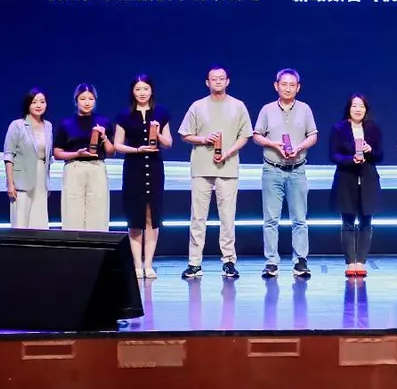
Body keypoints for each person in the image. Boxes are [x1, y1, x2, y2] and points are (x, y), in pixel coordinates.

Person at [178, 66, 253, 279]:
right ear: (207, 82)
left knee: (227, 217)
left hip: (227, 168)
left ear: (227, 81)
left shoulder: (238, 106)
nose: (218, 81)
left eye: (221, 78)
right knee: (197, 217)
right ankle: (194, 262)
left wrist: (228, 152)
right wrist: (203, 139)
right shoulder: (197, 106)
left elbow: (245, 135)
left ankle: (229, 260)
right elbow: (184, 134)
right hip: (201, 168)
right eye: (214, 79)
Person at [252, 68, 319, 279]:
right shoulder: (267, 109)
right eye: (284, 84)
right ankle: (271, 262)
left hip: (297, 170)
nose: (288, 88)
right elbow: (256, 135)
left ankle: (300, 261)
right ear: (276, 86)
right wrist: (273, 144)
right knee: (270, 219)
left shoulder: (305, 109)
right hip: (272, 169)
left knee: (299, 219)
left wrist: (299, 147)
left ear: (298, 88)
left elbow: (313, 136)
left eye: (292, 85)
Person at [112, 74, 172, 280]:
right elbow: (117, 145)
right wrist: (137, 149)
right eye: (138, 89)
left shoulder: (161, 113)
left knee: (151, 217)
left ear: (151, 90)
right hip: (133, 168)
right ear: (133, 92)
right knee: (135, 217)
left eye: (145, 88)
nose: (142, 93)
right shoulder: (124, 115)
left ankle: (149, 264)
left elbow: (168, 143)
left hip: (154, 168)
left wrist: (158, 133)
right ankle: (137, 265)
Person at [329, 93, 383, 277]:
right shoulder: (339, 128)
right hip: (346, 179)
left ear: (366, 109)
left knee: (366, 222)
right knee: (348, 222)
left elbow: (380, 156)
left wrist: (371, 151)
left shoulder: (373, 129)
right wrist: (350, 159)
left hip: (368, 180)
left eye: (361, 106)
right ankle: (350, 262)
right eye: (354, 106)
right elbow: (333, 155)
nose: (358, 109)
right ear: (349, 108)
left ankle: (361, 262)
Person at [52, 83, 114, 231]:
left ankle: (97, 244)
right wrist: (76, 154)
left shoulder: (103, 122)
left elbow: (111, 152)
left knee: (98, 213)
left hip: (97, 168)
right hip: (74, 167)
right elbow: (57, 152)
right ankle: (74, 244)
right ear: (76, 100)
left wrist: (104, 137)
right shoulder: (66, 124)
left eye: (91, 99)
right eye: (83, 98)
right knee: (72, 213)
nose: (87, 102)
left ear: (95, 100)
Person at [3, 87, 54, 229]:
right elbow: (9, 155)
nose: (38, 105)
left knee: (39, 221)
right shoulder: (17, 125)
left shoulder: (48, 126)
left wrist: (48, 182)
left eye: (42, 102)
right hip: (22, 179)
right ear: (28, 104)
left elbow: (48, 157)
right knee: (21, 221)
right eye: (34, 102)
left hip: (41, 178)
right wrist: (10, 183)